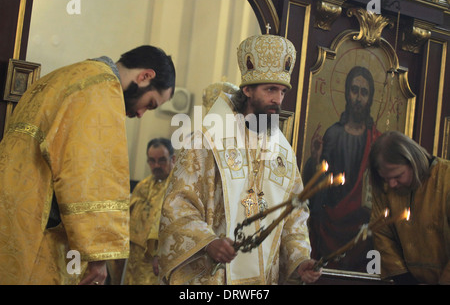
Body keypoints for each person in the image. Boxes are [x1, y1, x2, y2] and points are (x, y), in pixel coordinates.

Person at [0, 45, 176, 285]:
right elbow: (87, 172)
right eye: (151, 103)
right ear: (145, 76)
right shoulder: (102, 89)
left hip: (12, 215)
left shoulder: (66, 75)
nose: (142, 113)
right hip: (38, 232)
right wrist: (98, 255)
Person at [158, 32, 321, 284]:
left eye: (281, 91)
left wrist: (299, 259)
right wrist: (208, 241)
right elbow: (178, 204)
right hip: (214, 276)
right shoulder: (208, 140)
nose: (277, 99)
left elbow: (294, 215)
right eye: (270, 89)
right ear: (247, 89)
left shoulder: (284, 153)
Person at [303, 66, 381, 271]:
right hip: (331, 221)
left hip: (361, 227)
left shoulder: (375, 139)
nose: (358, 97)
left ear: (370, 97)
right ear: (347, 92)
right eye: (354, 90)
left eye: (364, 92)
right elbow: (319, 184)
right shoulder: (334, 134)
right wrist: (317, 160)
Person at [368, 130, 450, 285]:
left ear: (414, 161)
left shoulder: (446, 179)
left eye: (397, 176)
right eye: (386, 178)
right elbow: (381, 233)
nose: (391, 184)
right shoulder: (385, 187)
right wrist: (404, 279)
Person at [110, 138, 175, 285]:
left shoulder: (177, 188)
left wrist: (162, 255)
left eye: (162, 160)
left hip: (156, 258)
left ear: (173, 159)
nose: (156, 165)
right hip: (134, 256)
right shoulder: (143, 186)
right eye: (152, 160)